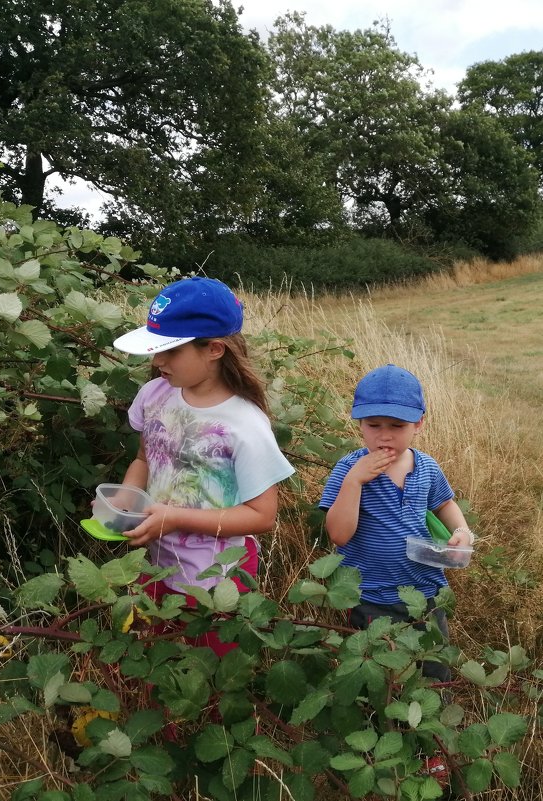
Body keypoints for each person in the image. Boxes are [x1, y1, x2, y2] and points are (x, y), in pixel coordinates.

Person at [111, 276, 295, 655]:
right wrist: (124, 504)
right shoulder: (155, 395)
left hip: (217, 580)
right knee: (154, 660)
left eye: (171, 351)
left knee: (209, 673)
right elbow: (144, 458)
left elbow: (261, 516)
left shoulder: (244, 424)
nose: (157, 361)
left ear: (214, 349)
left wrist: (175, 518)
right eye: (156, 348)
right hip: (155, 566)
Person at [318, 364, 475, 683]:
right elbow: (338, 534)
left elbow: (445, 503)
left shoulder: (427, 467)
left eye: (397, 425)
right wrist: (355, 482)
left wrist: (461, 531)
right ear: (360, 423)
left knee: (432, 671)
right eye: (374, 424)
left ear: (418, 423)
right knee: (381, 676)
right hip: (372, 597)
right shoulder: (348, 469)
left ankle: (427, 727)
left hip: (427, 592)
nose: (384, 435)